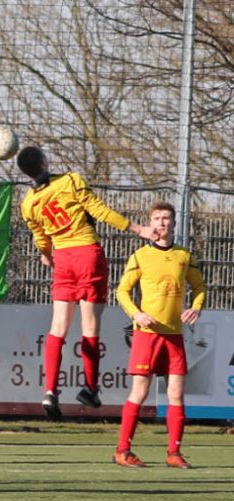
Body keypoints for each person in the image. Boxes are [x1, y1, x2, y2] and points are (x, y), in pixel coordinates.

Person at [17, 146, 158, 418]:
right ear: (45, 161)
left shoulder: (28, 203)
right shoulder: (70, 180)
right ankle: (90, 388)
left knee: (58, 326)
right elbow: (99, 210)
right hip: (86, 254)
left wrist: (47, 256)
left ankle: (49, 391)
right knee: (90, 326)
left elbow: (40, 238)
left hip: (62, 258)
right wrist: (138, 228)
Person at [113, 202, 206, 469]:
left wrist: (197, 307)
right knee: (139, 392)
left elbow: (199, 287)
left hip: (174, 335)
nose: (162, 223)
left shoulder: (184, 256)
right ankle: (122, 450)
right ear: (150, 223)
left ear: (174, 224)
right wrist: (136, 315)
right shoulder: (140, 256)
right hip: (147, 335)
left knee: (176, 393)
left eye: (166, 218)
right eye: (157, 219)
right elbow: (122, 292)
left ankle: (174, 453)